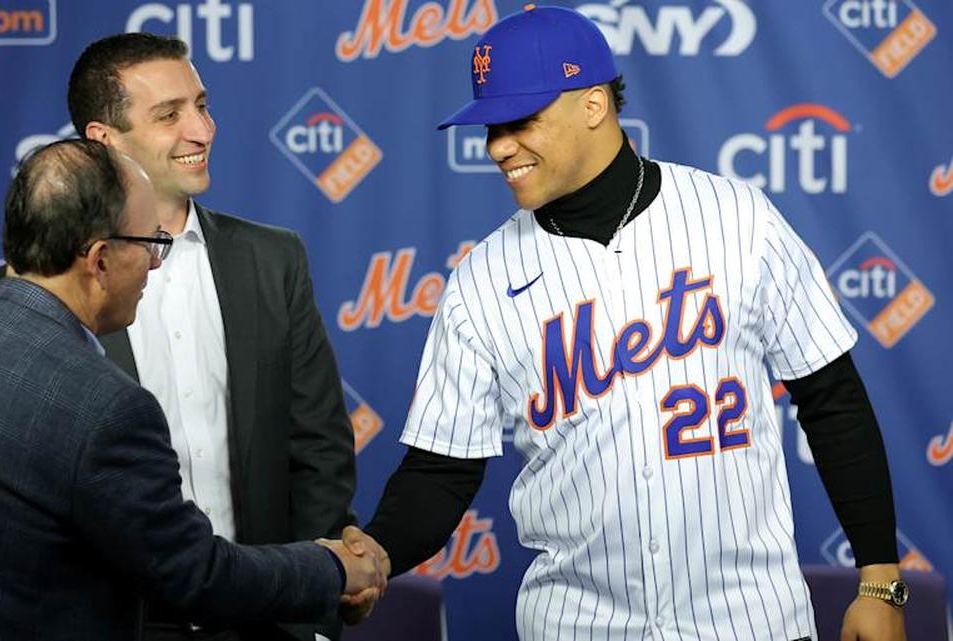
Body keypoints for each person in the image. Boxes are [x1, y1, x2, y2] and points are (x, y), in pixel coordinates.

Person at [340, 6, 906, 641]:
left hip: (750, 621)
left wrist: (879, 578)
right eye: (491, 127)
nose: (499, 146)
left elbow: (832, 398)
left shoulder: (737, 219)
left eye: (520, 121)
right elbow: (441, 470)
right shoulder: (479, 283)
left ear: (593, 104)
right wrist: (377, 555)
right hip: (579, 626)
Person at [0, 140, 381, 641]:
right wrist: (332, 567)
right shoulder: (103, 406)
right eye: (150, 244)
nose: (154, 262)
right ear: (98, 261)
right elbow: (196, 576)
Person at [63, 32, 360, 641]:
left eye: (202, 105)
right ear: (103, 140)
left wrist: (312, 614)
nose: (202, 130)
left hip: (263, 619)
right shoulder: (53, 284)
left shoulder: (273, 260)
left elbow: (320, 452)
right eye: (169, 115)